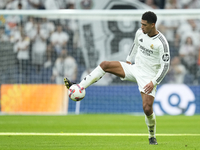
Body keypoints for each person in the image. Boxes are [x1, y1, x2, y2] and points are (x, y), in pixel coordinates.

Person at [64, 11, 170, 145]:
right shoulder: (140, 32)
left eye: (144, 25)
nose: (141, 27)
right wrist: (129, 59)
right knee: (105, 65)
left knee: (147, 108)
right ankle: (79, 86)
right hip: (135, 68)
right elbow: (136, 45)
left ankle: (151, 136)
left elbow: (165, 67)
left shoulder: (162, 43)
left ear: (153, 25)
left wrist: (153, 82)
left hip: (149, 77)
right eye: (141, 24)